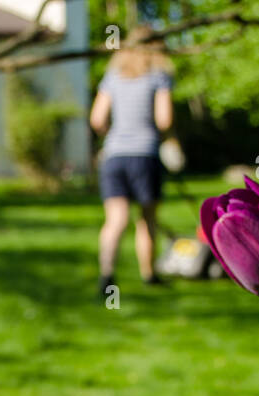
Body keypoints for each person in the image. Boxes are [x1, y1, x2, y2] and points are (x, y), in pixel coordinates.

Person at [89, 28, 175, 295]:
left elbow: (97, 120)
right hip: (144, 153)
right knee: (146, 220)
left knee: (115, 220)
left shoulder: (113, 77)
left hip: (114, 155)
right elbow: (164, 120)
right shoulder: (158, 76)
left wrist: (116, 132)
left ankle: (106, 274)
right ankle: (149, 274)